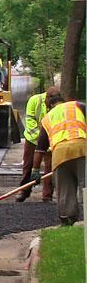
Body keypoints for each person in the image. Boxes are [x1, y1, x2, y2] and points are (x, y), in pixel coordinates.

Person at [32, 93, 86, 225]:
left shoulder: (47, 118)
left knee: (65, 188)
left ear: (49, 106)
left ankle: (67, 219)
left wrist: (35, 170)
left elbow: (40, 149)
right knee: (85, 184)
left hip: (59, 154)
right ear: (63, 101)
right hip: (81, 148)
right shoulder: (78, 106)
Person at [16, 87, 56, 202]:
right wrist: (41, 139)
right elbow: (30, 121)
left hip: (50, 140)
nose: (51, 107)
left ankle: (47, 196)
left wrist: (50, 141)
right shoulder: (34, 100)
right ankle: (24, 191)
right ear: (47, 98)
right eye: (50, 104)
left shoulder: (57, 104)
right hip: (32, 139)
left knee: (49, 168)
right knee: (28, 165)